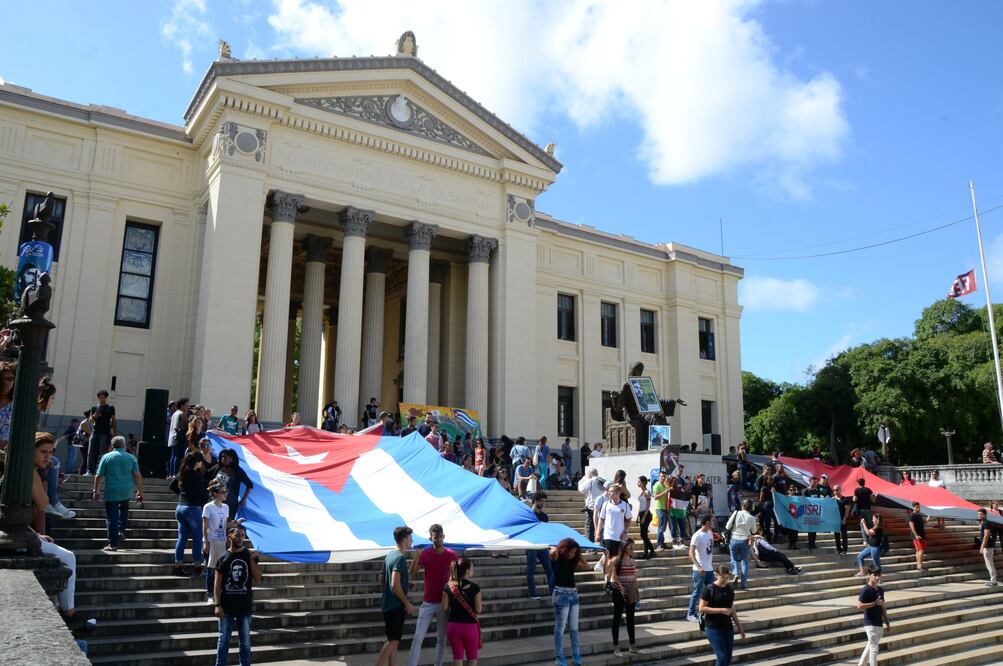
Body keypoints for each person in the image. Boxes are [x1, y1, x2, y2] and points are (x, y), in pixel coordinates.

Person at [408, 524, 458, 666]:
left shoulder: (451, 554)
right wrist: (417, 555)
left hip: (444, 602)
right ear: (431, 538)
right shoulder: (426, 553)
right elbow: (413, 572)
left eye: (440, 537)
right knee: (418, 637)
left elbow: (456, 578)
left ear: (443, 536)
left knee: (441, 638)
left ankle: (438, 664)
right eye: (435, 537)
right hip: (428, 602)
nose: (438, 540)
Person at [213, 523, 262, 666]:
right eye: (238, 535)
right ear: (230, 536)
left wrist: (252, 559)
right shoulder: (223, 557)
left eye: (243, 535)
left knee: (245, 642)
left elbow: (258, 577)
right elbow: (217, 583)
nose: (241, 538)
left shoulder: (249, 555)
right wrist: (217, 604)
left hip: (244, 607)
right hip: (226, 607)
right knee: (223, 641)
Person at [91, 435, 143, 551]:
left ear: (112, 445)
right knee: (124, 510)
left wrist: (96, 490)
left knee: (112, 517)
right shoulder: (131, 458)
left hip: (112, 491)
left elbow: (99, 475)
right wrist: (139, 490)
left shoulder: (106, 457)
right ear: (124, 445)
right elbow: (137, 475)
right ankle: (121, 530)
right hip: (126, 490)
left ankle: (113, 544)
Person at [377, 526, 417, 666]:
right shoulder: (400, 557)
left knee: (393, 640)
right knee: (393, 641)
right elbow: (394, 584)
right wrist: (406, 602)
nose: (412, 540)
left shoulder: (390, 555)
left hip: (387, 604)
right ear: (405, 539)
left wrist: (405, 583)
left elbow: (382, 579)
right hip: (396, 605)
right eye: (411, 538)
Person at [550, 537, 589, 666]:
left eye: (574, 552)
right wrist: (555, 548)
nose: (573, 555)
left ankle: (576, 655)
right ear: (565, 550)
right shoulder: (558, 558)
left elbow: (586, 565)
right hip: (561, 593)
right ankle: (559, 656)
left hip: (573, 594)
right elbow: (553, 553)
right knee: (560, 628)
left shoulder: (573, 560)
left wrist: (578, 553)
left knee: (574, 627)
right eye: (571, 552)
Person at [170, 452, 209, 575]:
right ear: (197, 462)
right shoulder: (196, 475)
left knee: (182, 537)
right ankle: (197, 567)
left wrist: (183, 494)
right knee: (197, 538)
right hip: (193, 508)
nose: (201, 463)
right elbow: (203, 494)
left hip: (181, 508)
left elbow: (172, 486)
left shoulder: (182, 473)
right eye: (201, 461)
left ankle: (178, 565)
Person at [699, 564, 746, 666]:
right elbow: (701, 608)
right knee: (721, 656)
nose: (724, 580)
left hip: (727, 627)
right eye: (722, 577)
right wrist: (721, 610)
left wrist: (739, 627)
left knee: (728, 656)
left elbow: (732, 608)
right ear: (716, 575)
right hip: (713, 627)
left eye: (727, 578)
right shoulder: (709, 589)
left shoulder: (729, 589)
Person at [441, 557, 481, 666]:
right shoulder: (475, 588)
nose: (473, 570)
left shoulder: (448, 586)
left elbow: (444, 607)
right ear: (467, 571)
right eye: (472, 568)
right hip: (470, 628)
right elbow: (478, 610)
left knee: (457, 657)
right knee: (472, 659)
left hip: (453, 626)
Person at [608, 538, 640, 657]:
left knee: (631, 619)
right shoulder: (616, 560)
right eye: (630, 547)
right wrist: (621, 589)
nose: (632, 549)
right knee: (617, 618)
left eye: (633, 547)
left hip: (631, 590)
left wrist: (637, 593)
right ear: (624, 548)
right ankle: (616, 647)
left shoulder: (632, 561)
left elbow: (634, 577)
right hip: (619, 592)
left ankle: (632, 645)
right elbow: (612, 577)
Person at [597, 484, 633, 587]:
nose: (609, 493)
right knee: (609, 558)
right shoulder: (606, 504)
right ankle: (608, 581)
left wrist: (625, 532)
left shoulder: (624, 505)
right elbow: (601, 519)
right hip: (608, 536)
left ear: (617, 493)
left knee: (616, 560)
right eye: (609, 491)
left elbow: (629, 519)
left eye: (611, 491)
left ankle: (613, 580)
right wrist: (597, 533)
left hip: (619, 537)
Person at [855, 567, 890, 666]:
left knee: (871, 645)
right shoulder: (866, 590)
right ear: (869, 575)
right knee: (874, 648)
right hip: (870, 623)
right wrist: (874, 604)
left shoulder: (880, 590)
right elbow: (859, 605)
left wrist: (887, 622)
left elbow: (883, 606)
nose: (877, 577)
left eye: (878, 575)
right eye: (875, 575)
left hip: (879, 623)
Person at [203, 482, 230, 604]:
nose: (225, 494)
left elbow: (225, 525)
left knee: (222, 569)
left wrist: (235, 523)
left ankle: (221, 593)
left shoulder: (226, 507)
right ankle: (210, 595)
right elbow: (205, 525)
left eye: (226, 492)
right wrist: (206, 542)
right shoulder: (208, 507)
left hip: (222, 540)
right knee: (210, 568)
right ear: (215, 494)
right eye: (222, 492)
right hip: (211, 540)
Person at [209, 448, 253, 521]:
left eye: (225, 457)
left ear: (231, 459)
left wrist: (243, 499)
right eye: (222, 457)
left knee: (225, 525)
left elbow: (250, 485)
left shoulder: (238, 471)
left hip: (230, 504)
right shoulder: (218, 467)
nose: (223, 459)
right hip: (214, 501)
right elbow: (206, 475)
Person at [686, 514, 715, 622]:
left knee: (711, 592)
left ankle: (705, 612)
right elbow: (691, 552)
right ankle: (690, 613)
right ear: (707, 522)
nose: (713, 522)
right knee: (697, 592)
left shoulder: (710, 533)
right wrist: (698, 566)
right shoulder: (697, 535)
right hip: (700, 570)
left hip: (709, 568)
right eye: (711, 520)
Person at [526, 492, 555, 599]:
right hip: (531, 544)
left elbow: (546, 532)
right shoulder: (528, 514)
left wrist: (549, 546)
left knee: (550, 570)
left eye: (544, 501)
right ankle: (532, 593)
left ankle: (553, 592)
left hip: (542, 545)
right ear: (535, 501)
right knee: (531, 569)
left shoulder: (544, 516)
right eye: (541, 501)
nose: (542, 503)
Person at [726, 500, 757, 590]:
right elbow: (754, 531)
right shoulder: (752, 518)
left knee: (734, 559)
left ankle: (735, 573)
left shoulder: (736, 513)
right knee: (744, 562)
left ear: (742, 506)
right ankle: (744, 584)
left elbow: (728, 526)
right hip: (745, 540)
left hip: (734, 539)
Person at [85, 389, 117, 475]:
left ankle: (101, 471)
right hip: (95, 432)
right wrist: (95, 416)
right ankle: (90, 471)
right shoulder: (94, 408)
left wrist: (115, 434)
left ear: (106, 398)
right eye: (100, 397)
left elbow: (113, 421)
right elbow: (90, 421)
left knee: (103, 452)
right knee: (91, 452)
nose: (101, 399)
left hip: (105, 433)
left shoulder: (110, 408)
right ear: (98, 398)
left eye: (103, 397)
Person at [578, 468, 604, 543]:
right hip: (602, 506)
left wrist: (585, 479)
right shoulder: (602, 480)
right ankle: (602, 545)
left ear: (590, 474)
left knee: (589, 526)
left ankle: (591, 547)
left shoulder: (590, 480)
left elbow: (581, 489)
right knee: (601, 525)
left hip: (592, 507)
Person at [167, 397, 189, 478]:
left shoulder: (175, 413)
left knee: (173, 456)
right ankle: (175, 474)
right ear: (182, 405)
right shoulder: (182, 414)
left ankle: (171, 474)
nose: (188, 407)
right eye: (187, 405)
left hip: (173, 438)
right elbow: (187, 426)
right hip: (179, 438)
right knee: (178, 456)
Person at [977, 508, 998, 586]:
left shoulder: (986, 523)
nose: (979, 515)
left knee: (989, 564)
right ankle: (993, 580)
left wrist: (982, 547)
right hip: (989, 546)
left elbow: (986, 536)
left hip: (988, 546)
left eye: (981, 514)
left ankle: (993, 581)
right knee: (989, 564)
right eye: (978, 514)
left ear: (985, 514)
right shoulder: (984, 523)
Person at [907, 501, 929, 573]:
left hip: (921, 535)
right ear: (913, 507)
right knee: (921, 550)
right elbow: (911, 525)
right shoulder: (912, 515)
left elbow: (922, 524)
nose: (918, 508)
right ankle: (920, 566)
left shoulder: (918, 515)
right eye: (917, 507)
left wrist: (927, 520)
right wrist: (916, 535)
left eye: (919, 507)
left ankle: (918, 565)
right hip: (917, 536)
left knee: (918, 551)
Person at [636, 476, 654, 559]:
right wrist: (637, 516)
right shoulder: (641, 492)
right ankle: (645, 553)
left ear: (643, 482)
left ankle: (652, 551)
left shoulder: (647, 492)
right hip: (641, 513)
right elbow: (640, 504)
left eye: (639, 481)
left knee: (643, 534)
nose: (637, 482)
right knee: (644, 534)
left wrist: (644, 516)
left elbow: (648, 505)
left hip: (646, 514)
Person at [669, 476, 690, 548]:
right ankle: (674, 543)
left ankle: (682, 543)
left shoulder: (681, 489)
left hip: (681, 511)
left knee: (682, 527)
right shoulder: (670, 489)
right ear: (671, 481)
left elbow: (685, 497)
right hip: (673, 511)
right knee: (674, 527)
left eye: (677, 481)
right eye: (674, 481)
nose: (676, 482)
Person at [756, 465, 776, 541]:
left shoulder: (773, 487)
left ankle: (770, 535)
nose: (771, 480)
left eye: (772, 479)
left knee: (774, 521)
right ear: (767, 480)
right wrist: (761, 508)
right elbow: (761, 499)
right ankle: (768, 537)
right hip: (766, 505)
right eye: (770, 479)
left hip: (772, 505)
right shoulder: (764, 488)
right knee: (767, 522)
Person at [652, 470, 670, 552]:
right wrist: (665, 491)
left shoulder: (665, 486)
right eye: (661, 476)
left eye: (664, 476)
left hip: (665, 508)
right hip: (659, 508)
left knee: (663, 527)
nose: (663, 478)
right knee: (661, 527)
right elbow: (655, 497)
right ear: (659, 477)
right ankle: (659, 544)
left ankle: (662, 543)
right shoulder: (657, 485)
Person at [832, 484, 851, 556]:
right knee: (836, 535)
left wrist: (844, 519)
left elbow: (847, 510)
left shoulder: (844, 499)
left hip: (842, 520)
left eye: (837, 489)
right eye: (834, 490)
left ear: (840, 490)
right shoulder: (832, 499)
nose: (835, 491)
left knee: (844, 535)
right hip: (835, 520)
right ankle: (839, 549)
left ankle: (844, 549)